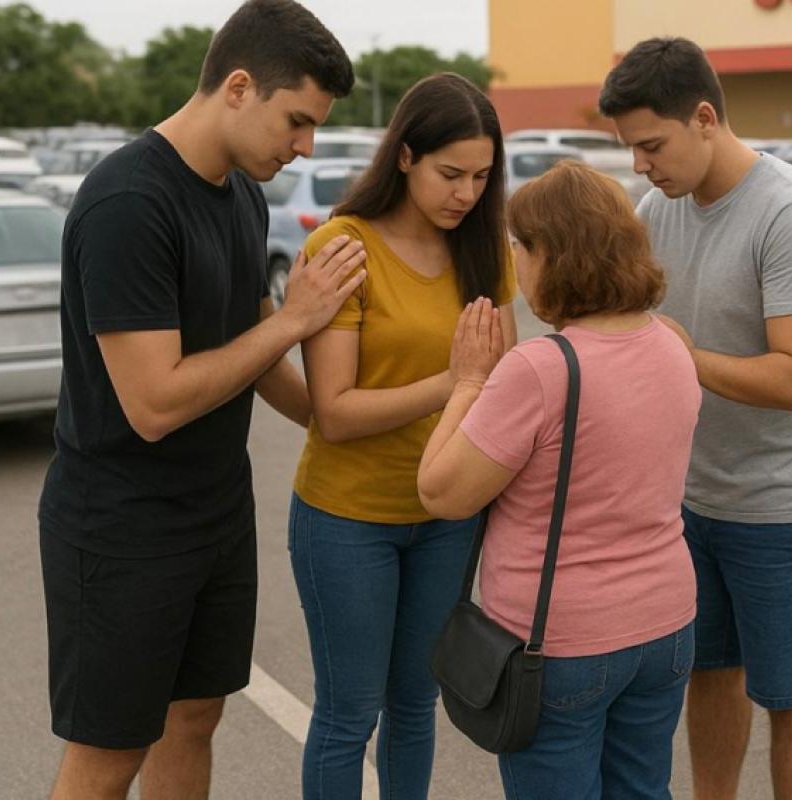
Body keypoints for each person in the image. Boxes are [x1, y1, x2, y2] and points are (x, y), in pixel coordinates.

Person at [37, 3, 360, 799]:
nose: (306, 146)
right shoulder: (129, 204)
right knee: (109, 756)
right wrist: (295, 319)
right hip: (120, 527)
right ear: (239, 87)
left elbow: (246, 348)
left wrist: (338, 416)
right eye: (297, 121)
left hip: (215, 512)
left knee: (195, 718)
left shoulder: (242, 196)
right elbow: (154, 402)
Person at [601, 37, 792, 800]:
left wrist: (680, 353)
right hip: (686, 500)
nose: (641, 165)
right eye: (631, 150)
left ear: (704, 117)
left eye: (651, 144)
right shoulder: (656, 208)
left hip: (778, 507)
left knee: (790, 693)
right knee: (709, 675)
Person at [417, 159, 701, 800]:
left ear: (553, 254)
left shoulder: (541, 369)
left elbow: (441, 492)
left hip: (564, 643)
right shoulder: (672, 341)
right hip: (667, 624)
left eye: (520, 246)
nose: (514, 260)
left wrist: (468, 381)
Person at [288, 73, 517, 800]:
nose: (467, 193)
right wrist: (454, 382)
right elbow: (335, 411)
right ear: (407, 156)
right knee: (349, 713)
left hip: (448, 516)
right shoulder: (343, 246)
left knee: (417, 705)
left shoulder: (485, 250)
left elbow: (503, 382)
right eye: (452, 173)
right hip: (348, 518)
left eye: (482, 177)